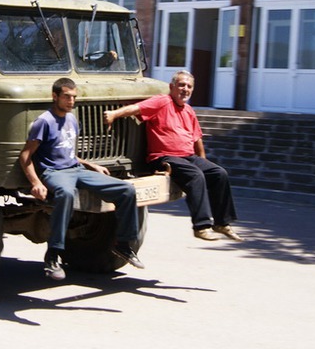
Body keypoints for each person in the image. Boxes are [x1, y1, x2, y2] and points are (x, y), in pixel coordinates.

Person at [19, 77, 145, 281]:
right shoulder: (44, 121)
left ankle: (123, 245)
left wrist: (91, 165)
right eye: (66, 97)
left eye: (74, 97)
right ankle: (53, 254)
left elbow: (68, 153)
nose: (71, 101)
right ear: (55, 96)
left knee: (126, 190)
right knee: (66, 194)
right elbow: (25, 155)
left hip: (76, 169)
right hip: (54, 172)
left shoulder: (71, 119)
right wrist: (36, 182)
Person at [104, 70, 243, 242]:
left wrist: (203, 161)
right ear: (172, 87)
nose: (185, 89)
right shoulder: (162, 101)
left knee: (219, 173)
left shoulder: (189, 110)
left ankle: (222, 223)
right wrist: (114, 114)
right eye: (181, 85)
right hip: (163, 157)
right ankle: (202, 226)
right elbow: (136, 108)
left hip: (188, 157)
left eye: (189, 86)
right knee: (195, 175)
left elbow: (196, 139)